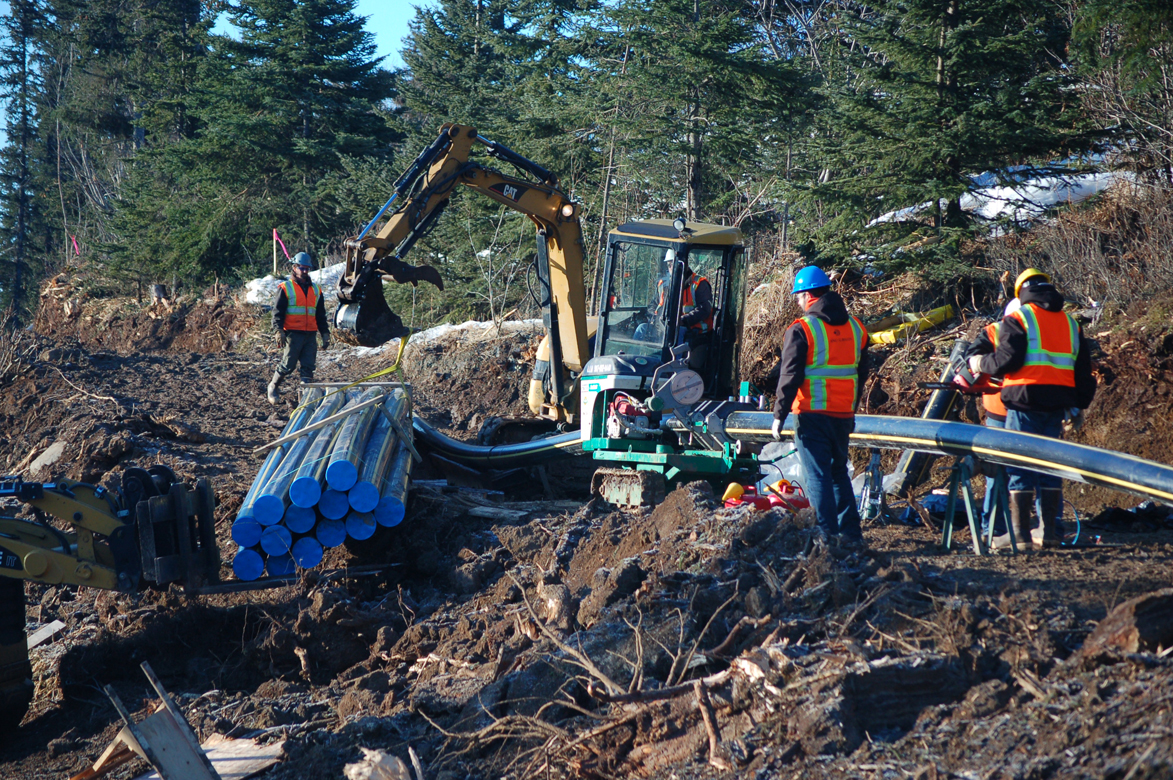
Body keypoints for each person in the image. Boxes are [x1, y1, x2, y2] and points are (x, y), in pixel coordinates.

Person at [969, 268, 1096, 549]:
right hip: (1057, 405)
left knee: (1019, 465)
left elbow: (1007, 360)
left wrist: (979, 364)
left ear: (1021, 293)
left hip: (1023, 402)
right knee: (1050, 465)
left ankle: (1020, 534)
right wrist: (1078, 406)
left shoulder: (1020, 317)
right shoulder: (1071, 324)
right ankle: (1048, 531)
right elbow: (1083, 371)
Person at [771, 266, 870, 543]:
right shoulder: (856, 327)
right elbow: (860, 374)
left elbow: (789, 375)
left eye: (798, 298)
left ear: (806, 295)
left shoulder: (803, 329)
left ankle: (825, 538)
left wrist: (779, 414)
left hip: (812, 414)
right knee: (839, 473)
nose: (798, 304)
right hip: (842, 415)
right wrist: (851, 408)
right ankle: (851, 536)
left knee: (817, 476)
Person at [965, 298, 1018, 548]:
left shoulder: (997, 331)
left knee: (1001, 474)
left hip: (1011, 412)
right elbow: (971, 356)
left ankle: (999, 527)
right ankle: (996, 527)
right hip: (1005, 413)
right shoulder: (994, 332)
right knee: (1001, 474)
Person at [267, 251, 330, 404]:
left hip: (310, 334)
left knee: (308, 366)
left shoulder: (316, 290)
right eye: (302, 268)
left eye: (307, 268)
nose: (305, 271)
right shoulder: (286, 287)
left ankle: (306, 398)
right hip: (293, 334)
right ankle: (273, 386)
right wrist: (278, 330)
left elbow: (320, 314)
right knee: (288, 364)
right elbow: (277, 312)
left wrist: (325, 333)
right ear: (294, 267)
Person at [634, 259, 713, 345]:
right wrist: (654, 317)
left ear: (685, 265)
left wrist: (683, 320)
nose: (672, 268)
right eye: (669, 265)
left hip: (690, 327)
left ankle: (673, 358)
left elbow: (704, 309)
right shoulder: (663, 284)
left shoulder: (699, 283)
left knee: (677, 334)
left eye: (675, 264)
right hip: (663, 326)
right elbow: (653, 304)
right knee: (642, 328)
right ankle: (634, 356)